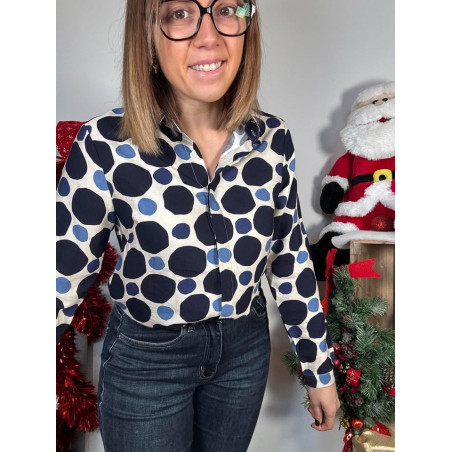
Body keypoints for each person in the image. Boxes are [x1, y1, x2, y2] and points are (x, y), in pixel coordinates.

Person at [56, 0, 340, 450]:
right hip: (147, 361)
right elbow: (61, 270)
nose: (209, 36)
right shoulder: (105, 143)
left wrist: (319, 370)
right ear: (148, 32)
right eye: (180, 13)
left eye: (226, 8)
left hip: (243, 352)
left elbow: (288, 258)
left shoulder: (272, 139)